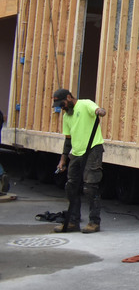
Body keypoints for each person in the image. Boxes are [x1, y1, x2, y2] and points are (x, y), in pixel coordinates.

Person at [53, 88, 107, 233]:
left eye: (62, 103)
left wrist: (99, 111)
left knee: (90, 186)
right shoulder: (66, 117)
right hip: (76, 153)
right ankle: (73, 221)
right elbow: (68, 140)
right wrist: (63, 159)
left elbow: (96, 109)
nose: (61, 107)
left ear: (69, 97)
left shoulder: (85, 104)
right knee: (71, 186)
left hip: (92, 150)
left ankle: (94, 222)